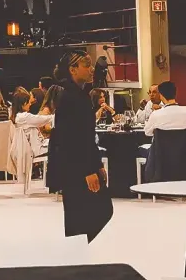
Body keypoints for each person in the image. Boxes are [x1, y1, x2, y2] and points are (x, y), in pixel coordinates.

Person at [52, 51, 112, 242]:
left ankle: (82, 251)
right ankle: (78, 254)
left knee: (94, 213)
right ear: (73, 69)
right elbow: (70, 138)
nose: (91, 69)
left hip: (82, 163)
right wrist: (87, 170)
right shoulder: (69, 97)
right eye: (86, 65)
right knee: (81, 217)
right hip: (75, 167)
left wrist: (97, 164)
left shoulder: (80, 95)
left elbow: (87, 135)